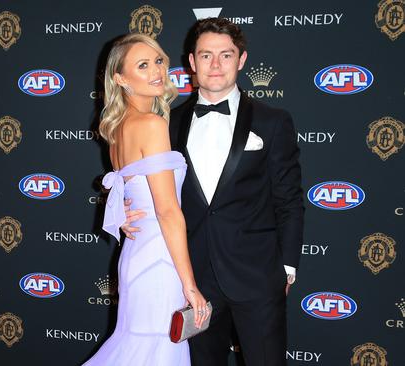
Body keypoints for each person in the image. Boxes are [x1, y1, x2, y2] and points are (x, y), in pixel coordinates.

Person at [123, 18, 304, 366]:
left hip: (258, 278)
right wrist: (124, 216)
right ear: (191, 62)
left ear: (242, 59)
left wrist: (287, 268)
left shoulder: (273, 121)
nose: (216, 65)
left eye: (226, 55)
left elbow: (290, 200)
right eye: (206, 56)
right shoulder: (166, 125)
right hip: (192, 280)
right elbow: (137, 185)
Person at [83, 33, 209, 365]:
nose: (156, 71)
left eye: (158, 61)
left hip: (137, 257)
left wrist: (123, 215)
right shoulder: (151, 124)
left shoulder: (117, 130)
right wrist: (190, 285)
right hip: (159, 262)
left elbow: (132, 196)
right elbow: (168, 211)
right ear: (120, 79)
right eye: (142, 65)